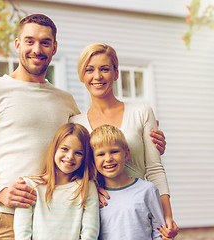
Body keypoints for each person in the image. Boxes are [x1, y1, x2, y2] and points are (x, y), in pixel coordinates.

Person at [0, 14, 166, 239]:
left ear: (54, 48)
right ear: (17, 44)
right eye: (29, 41)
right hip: (11, 214)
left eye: (45, 42)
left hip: (62, 219)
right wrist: (0, 192)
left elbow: (90, 145)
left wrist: (143, 141)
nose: (37, 49)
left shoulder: (64, 99)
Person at [70, 43, 178, 238]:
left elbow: (154, 168)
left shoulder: (142, 112)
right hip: (96, 214)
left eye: (105, 69)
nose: (97, 76)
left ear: (116, 73)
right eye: (90, 70)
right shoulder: (75, 123)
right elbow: (74, 173)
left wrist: (166, 216)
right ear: (81, 76)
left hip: (136, 212)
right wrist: (92, 188)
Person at [13, 123, 99, 240]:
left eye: (78, 153)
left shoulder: (87, 187)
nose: (70, 156)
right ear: (55, 148)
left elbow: (90, 233)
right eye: (64, 149)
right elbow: (22, 234)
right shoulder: (30, 186)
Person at [90, 124, 169, 240]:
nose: (108, 159)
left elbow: (160, 234)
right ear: (93, 160)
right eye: (101, 154)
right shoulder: (94, 197)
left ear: (126, 154)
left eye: (114, 151)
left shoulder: (148, 190)